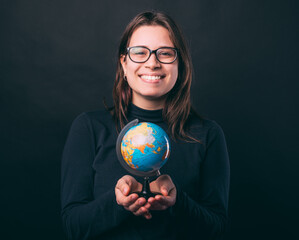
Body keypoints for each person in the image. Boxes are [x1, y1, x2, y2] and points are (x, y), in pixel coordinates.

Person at [61, 11, 230, 240]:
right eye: (140, 52)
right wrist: (118, 202)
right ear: (124, 62)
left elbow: (216, 229)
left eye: (165, 54)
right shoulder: (89, 128)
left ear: (179, 63)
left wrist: (177, 201)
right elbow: (73, 228)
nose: (152, 63)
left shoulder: (207, 135)